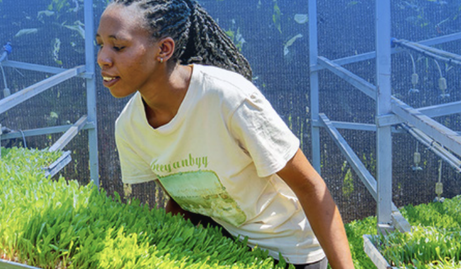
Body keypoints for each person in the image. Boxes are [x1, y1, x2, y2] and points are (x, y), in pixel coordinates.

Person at [96, 0, 355, 268]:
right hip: (226, 248)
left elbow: (309, 186)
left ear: (163, 49)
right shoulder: (129, 127)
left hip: (292, 254)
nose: (102, 58)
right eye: (100, 44)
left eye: (118, 46)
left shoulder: (228, 98)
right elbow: (181, 197)